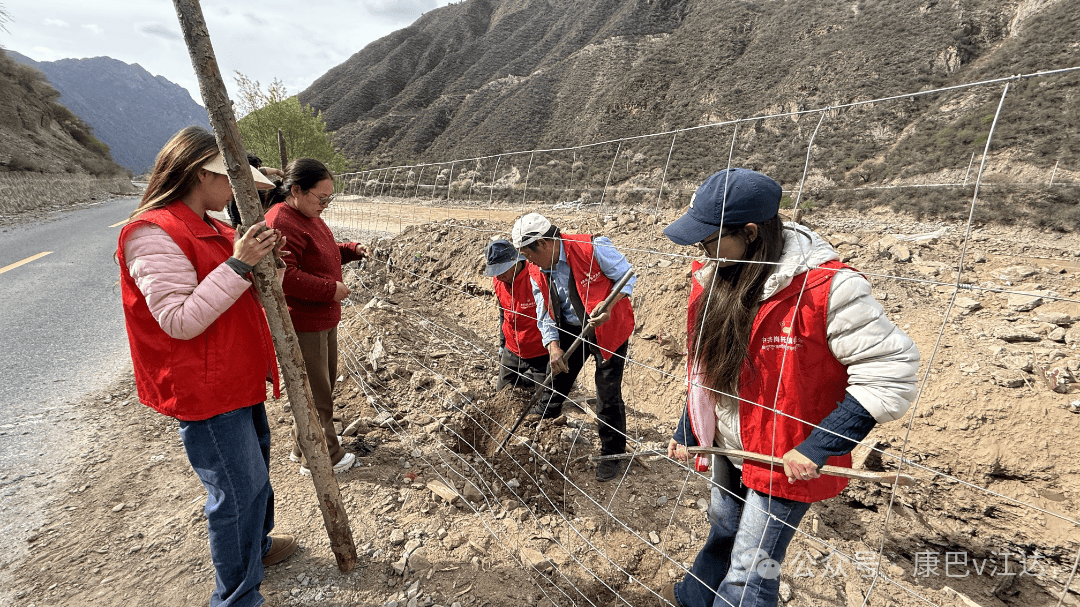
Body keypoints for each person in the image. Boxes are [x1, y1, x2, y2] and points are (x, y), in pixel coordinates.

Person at [659, 168, 921, 607]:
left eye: (709, 238)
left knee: (752, 571)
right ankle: (694, 597)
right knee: (724, 524)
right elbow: (708, 370)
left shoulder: (828, 288)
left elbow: (892, 368)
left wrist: (819, 446)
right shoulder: (716, 274)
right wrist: (690, 429)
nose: (700, 250)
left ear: (749, 232)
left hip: (786, 457)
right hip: (729, 442)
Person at [117, 126, 296, 607]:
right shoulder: (152, 233)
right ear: (202, 174)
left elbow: (249, 294)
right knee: (237, 492)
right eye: (230, 180)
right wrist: (238, 265)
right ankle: (236, 597)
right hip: (206, 387)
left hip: (235, 375)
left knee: (255, 475)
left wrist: (267, 265)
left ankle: (255, 550)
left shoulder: (215, 226)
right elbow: (178, 320)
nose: (238, 192)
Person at [511, 213, 636, 482]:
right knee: (557, 373)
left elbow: (627, 277)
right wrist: (553, 345)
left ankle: (611, 453)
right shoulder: (536, 268)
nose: (528, 262)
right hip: (569, 325)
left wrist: (609, 306)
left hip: (607, 326)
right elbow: (544, 310)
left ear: (543, 244)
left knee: (607, 391)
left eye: (529, 254)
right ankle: (544, 419)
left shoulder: (592, 246)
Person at [265, 158, 367, 476]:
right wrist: (328, 289)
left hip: (322, 319)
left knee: (318, 386)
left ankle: (303, 446)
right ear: (296, 190)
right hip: (304, 323)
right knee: (315, 392)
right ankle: (323, 457)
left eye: (329, 199)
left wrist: (349, 250)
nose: (325, 205)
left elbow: (321, 249)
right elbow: (284, 276)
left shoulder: (306, 215)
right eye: (321, 198)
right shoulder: (281, 221)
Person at [485, 238, 548, 394]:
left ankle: (536, 378)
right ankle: (529, 379)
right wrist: (502, 344)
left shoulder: (536, 277)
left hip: (540, 353)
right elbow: (503, 313)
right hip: (512, 350)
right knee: (502, 393)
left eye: (501, 271)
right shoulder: (499, 280)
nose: (498, 276)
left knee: (545, 400)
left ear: (515, 262)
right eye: (495, 272)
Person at [227, 153, 287, 228]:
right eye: (255, 170)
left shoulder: (243, 173)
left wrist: (278, 172)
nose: (257, 173)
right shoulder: (243, 193)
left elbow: (262, 171)